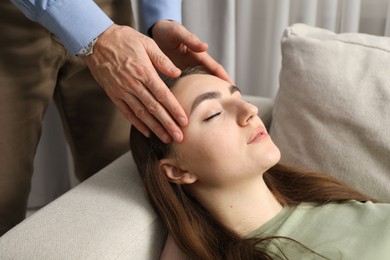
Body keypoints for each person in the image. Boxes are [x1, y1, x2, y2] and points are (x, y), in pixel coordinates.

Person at [0, 0, 230, 236]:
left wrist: (160, 19)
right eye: (213, 114)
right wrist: (97, 36)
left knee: (127, 180)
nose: (251, 112)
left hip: (109, 16)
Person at [130, 66, 390, 259]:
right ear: (177, 169)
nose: (250, 111)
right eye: (214, 114)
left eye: (239, 98)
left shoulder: (327, 199)